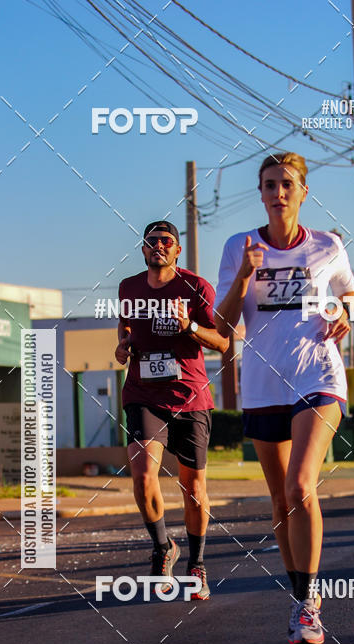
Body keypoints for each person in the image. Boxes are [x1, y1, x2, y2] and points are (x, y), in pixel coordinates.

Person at [215, 152, 354, 644]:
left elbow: (349, 294)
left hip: (317, 376)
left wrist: (346, 313)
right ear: (260, 193)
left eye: (287, 184)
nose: (278, 192)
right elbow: (223, 324)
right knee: (279, 500)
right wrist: (242, 278)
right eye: (270, 184)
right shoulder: (240, 246)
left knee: (300, 486)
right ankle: (300, 598)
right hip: (262, 385)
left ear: (303, 192)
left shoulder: (328, 245)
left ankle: (311, 603)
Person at [116, 220, 229, 599]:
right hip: (143, 393)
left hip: (189, 396)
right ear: (143, 250)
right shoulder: (129, 288)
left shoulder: (196, 287)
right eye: (151, 242)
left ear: (177, 250)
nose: (158, 247)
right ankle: (163, 548)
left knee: (192, 487)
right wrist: (123, 345)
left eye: (166, 241)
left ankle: (196, 564)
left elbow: (222, 342)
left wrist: (190, 326)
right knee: (143, 475)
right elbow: (127, 327)